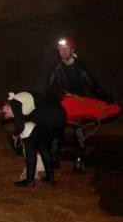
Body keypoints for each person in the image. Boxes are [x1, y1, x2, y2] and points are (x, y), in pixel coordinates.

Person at [46, 37, 115, 174]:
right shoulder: (56, 68)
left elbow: (93, 85)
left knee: (78, 132)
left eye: (66, 49)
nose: (63, 52)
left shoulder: (79, 66)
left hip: (77, 104)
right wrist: (58, 96)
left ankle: (78, 161)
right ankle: (54, 160)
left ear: (72, 50)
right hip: (63, 103)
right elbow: (49, 88)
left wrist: (107, 100)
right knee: (55, 130)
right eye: (61, 50)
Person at [0, 91, 67, 188]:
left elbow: (20, 126)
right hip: (61, 117)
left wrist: (15, 134)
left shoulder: (15, 102)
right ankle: (50, 178)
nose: (11, 117)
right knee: (43, 146)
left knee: (29, 145)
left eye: (8, 115)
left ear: (5, 107)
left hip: (50, 117)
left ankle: (29, 181)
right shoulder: (24, 101)